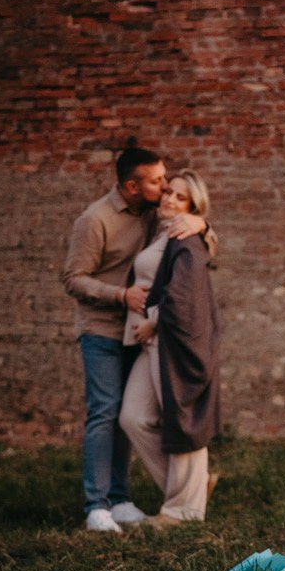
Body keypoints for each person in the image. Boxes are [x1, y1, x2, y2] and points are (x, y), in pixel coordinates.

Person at [62, 146, 212, 533]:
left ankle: (121, 498)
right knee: (106, 412)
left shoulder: (155, 215)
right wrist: (119, 296)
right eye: (158, 182)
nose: (164, 189)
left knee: (133, 415)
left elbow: (190, 252)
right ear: (133, 186)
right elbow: (73, 278)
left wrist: (202, 225)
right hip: (102, 328)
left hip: (139, 332)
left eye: (168, 183)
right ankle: (96, 505)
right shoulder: (95, 220)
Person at [119, 171, 221, 527]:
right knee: (133, 417)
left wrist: (154, 319)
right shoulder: (163, 229)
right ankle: (190, 490)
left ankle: (182, 511)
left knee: (183, 417)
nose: (169, 200)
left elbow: (184, 292)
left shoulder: (185, 236)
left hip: (169, 339)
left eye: (180, 198)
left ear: (192, 206)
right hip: (149, 342)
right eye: (168, 193)